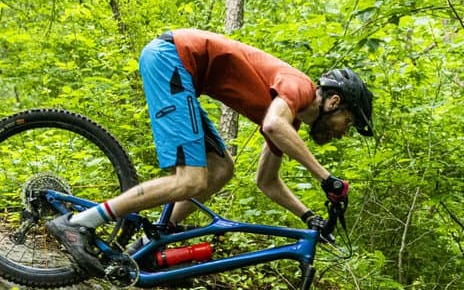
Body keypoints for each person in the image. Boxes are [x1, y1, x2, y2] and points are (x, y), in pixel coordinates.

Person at [48, 29, 371, 273]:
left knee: (220, 170)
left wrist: (308, 217)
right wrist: (327, 179)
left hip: (182, 73)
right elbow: (273, 126)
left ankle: (148, 245)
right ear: (334, 102)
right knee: (190, 181)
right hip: (171, 59)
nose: (344, 132)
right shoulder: (299, 89)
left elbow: (267, 181)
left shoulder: (290, 119)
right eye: (349, 121)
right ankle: (79, 223)